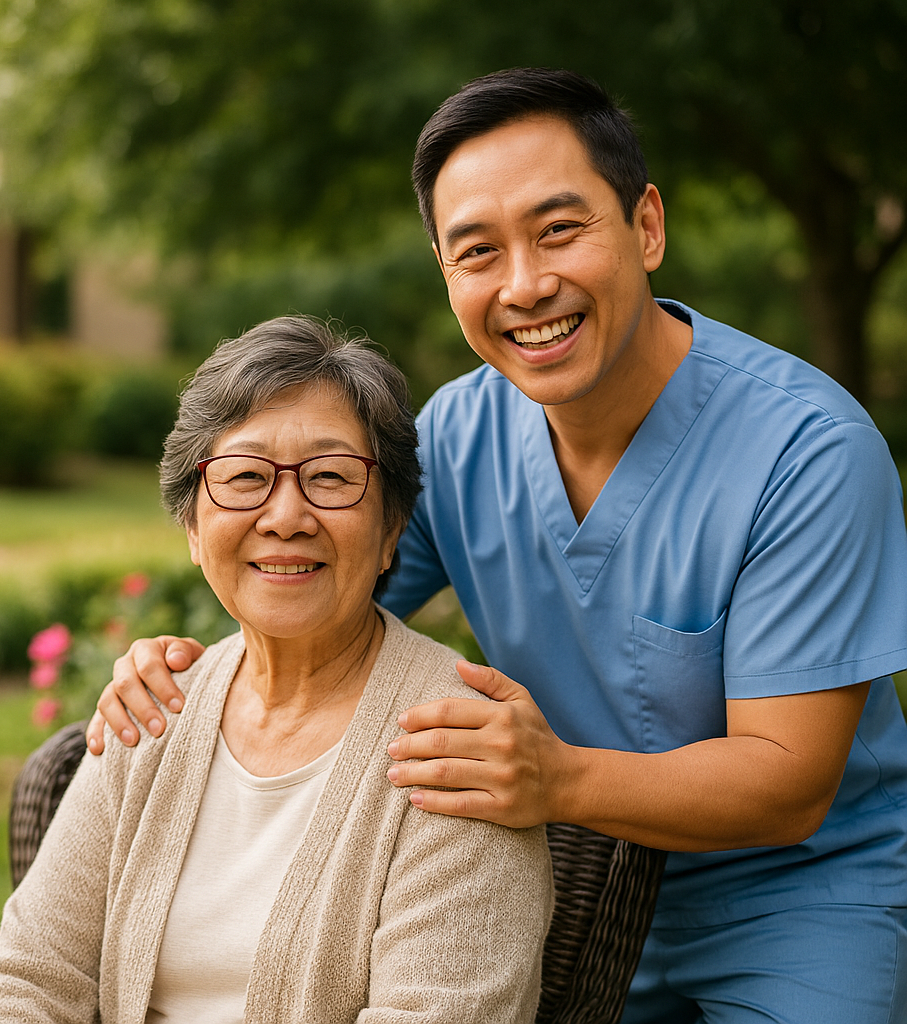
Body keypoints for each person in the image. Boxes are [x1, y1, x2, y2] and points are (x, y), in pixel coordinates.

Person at [88, 70, 907, 1023]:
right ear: (447, 274)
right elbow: (319, 606)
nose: (525, 285)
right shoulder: (456, 438)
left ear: (646, 227)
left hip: (793, 898)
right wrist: (186, 670)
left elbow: (789, 784)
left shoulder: (808, 452)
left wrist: (558, 777)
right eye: (478, 251)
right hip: (564, 886)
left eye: (559, 230)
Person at [0, 316, 553, 1023]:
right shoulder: (153, 707)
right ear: (192, 527)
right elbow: (29, 978)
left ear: (392, 529)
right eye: (245, 476)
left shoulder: (457, 747)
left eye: (330, 477)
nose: (285, 517)